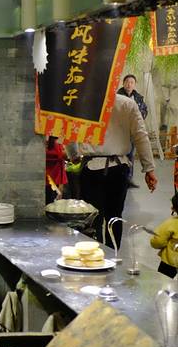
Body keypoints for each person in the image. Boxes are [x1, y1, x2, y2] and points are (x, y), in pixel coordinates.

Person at [67, 92, 157, 248]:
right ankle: (113, 254)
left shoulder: (81, 101)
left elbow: (70, 131)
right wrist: (149, 168)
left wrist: (73, 155)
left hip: (91, 169)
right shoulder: (127, 104)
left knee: (92, 218)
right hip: (118, 169)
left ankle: (94, 255)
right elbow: (140, 135)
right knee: (114, 217)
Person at [117, 74, 148, 188]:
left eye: (132, 82)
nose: (129, 84)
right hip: (120, 131)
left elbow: (144, 110)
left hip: (133, 131)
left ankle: (129, 179)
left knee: (130, 155)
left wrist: (139, 118)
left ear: (134, 85)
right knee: (120, 155)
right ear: (123, 83)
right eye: (127, 82)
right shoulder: (117, 96)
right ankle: (120, 179)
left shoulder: (138, 98)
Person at [150, 193, 178, 279]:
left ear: (173, 208)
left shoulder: (171, 223)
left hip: (170, 262)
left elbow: (158, 241)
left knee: (162, 280)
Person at [45, 135, 68, 204]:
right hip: (55, 178)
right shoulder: (58, 143)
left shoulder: (40, 142)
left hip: (44, 178)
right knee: (53, 202)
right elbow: (65, 155)